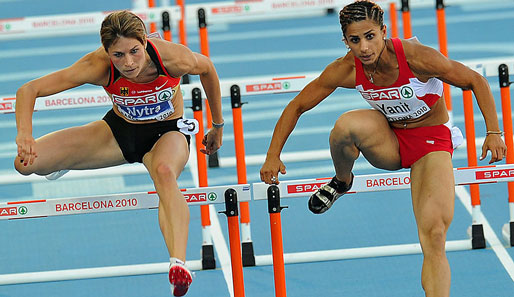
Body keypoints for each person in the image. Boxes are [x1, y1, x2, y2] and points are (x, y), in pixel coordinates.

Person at [259, 1, 507, 296]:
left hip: (430, 142)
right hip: (389, 139)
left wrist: (494, 132)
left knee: (435, 234)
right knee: (344, 127)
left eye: (370, 37)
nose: (364, 48)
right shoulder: (346, 68)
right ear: (345, 41)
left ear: (383, 32)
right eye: (354, 40)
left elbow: (475, 81)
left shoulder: (416, 58)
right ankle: (342, 181)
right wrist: (273, 154)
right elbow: (297, 105)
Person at [14, 10, 223, 296]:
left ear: (145, 43)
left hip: (167, 133)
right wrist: (25, 133)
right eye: (118, 55)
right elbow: (29, 90)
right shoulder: (97, 65)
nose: (128, 63)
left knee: (164, 173)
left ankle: (179, 263)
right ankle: (67, 161)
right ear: (106, 52)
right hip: (119, 131)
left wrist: (217, 125)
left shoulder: (173, 58)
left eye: (134, 52)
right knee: (25, 164)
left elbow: (208, 68)